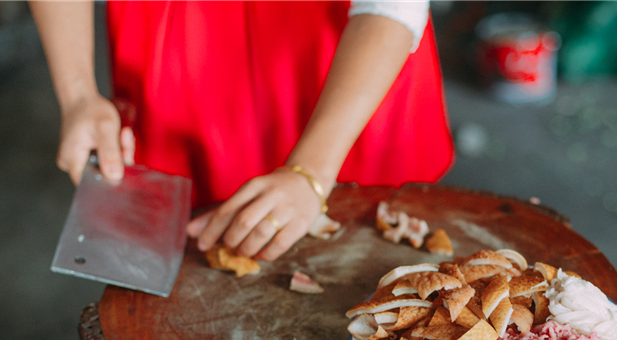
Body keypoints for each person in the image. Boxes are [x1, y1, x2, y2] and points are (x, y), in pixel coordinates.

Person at [29, 1, 455, 261]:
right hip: (186, 52)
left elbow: (390, 8)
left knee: (374, 258)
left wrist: (311, 171)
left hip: (348, 63)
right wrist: (78, 94)